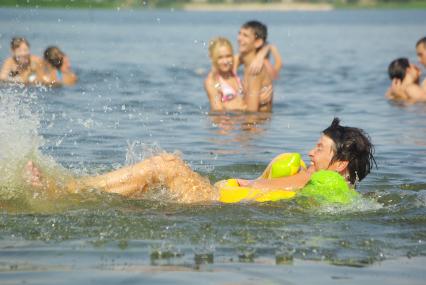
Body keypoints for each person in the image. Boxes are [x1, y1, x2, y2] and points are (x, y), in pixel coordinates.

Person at [25, 118, 376, 204]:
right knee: (157, 174)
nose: (311, 153)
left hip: (214, 203)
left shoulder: (324, 181)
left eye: (318, 148)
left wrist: (260, 180)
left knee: (166, 165)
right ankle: (77, 191)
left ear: (341, 162)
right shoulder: (330, 186)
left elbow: (264, 186)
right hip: (220, 202)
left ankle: (64, 189)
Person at [204, 37, 272, 112]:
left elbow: (266, 46)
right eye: (220, 58)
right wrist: (256, 102)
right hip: (227, 122)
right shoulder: (212, 81)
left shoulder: (232, 66)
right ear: (212, 58)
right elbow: (218, 113)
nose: (225, 61)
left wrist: (260, 57)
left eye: (228, 56)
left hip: (243, 119)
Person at [235, 20, 274, 112]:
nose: (239, 38)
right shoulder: (246, 63)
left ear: (257, 43)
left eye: (245, 36)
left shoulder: (255, 71)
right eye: (239, 33)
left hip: (257, 124)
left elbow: (251, 115)